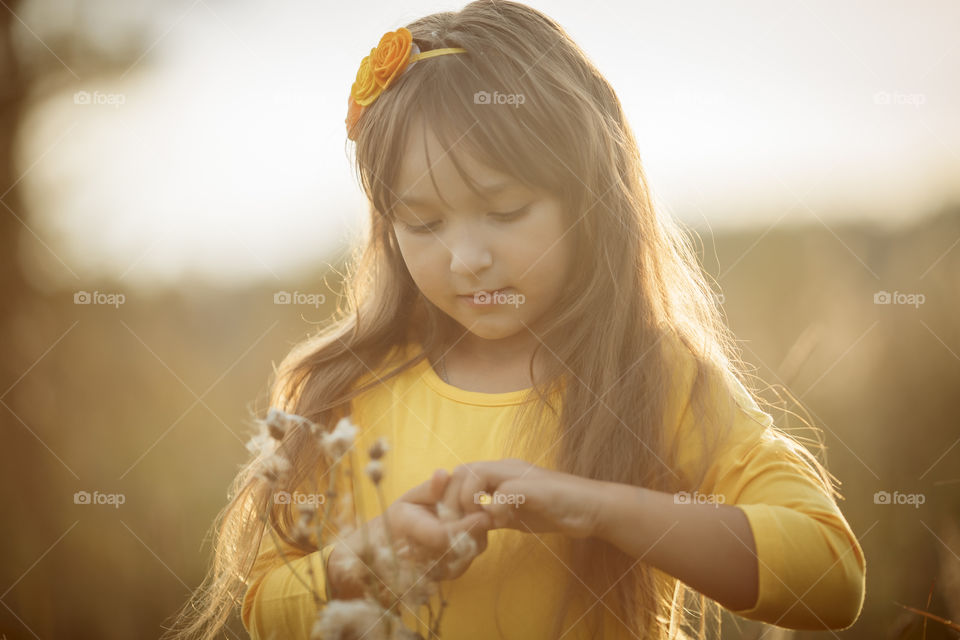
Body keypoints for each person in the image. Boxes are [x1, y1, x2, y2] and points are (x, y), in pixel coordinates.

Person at [163, 2, 866, 638]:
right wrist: (368, 555)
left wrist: (596, 508)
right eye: (424, 221)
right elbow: (265, 611)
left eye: (504, 212)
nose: (467, 258)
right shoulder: (338, 390)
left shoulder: (651, 376)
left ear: (591, 197)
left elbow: (831, 579)